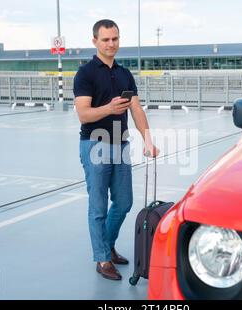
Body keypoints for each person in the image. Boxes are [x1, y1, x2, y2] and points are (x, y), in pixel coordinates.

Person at [73, 19, 159, 281]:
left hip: (120, 145)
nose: (112, 44)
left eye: (115, 39)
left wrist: (147, 140)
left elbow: (136, 109)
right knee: (98, 206)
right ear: (95, 41)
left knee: (123, 202)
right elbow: (84, 115)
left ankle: (106, 247)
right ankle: (101, 258)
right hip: (94, 144)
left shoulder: (124, 73)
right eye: (106, 39)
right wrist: (109, 109)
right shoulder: (85, 73)